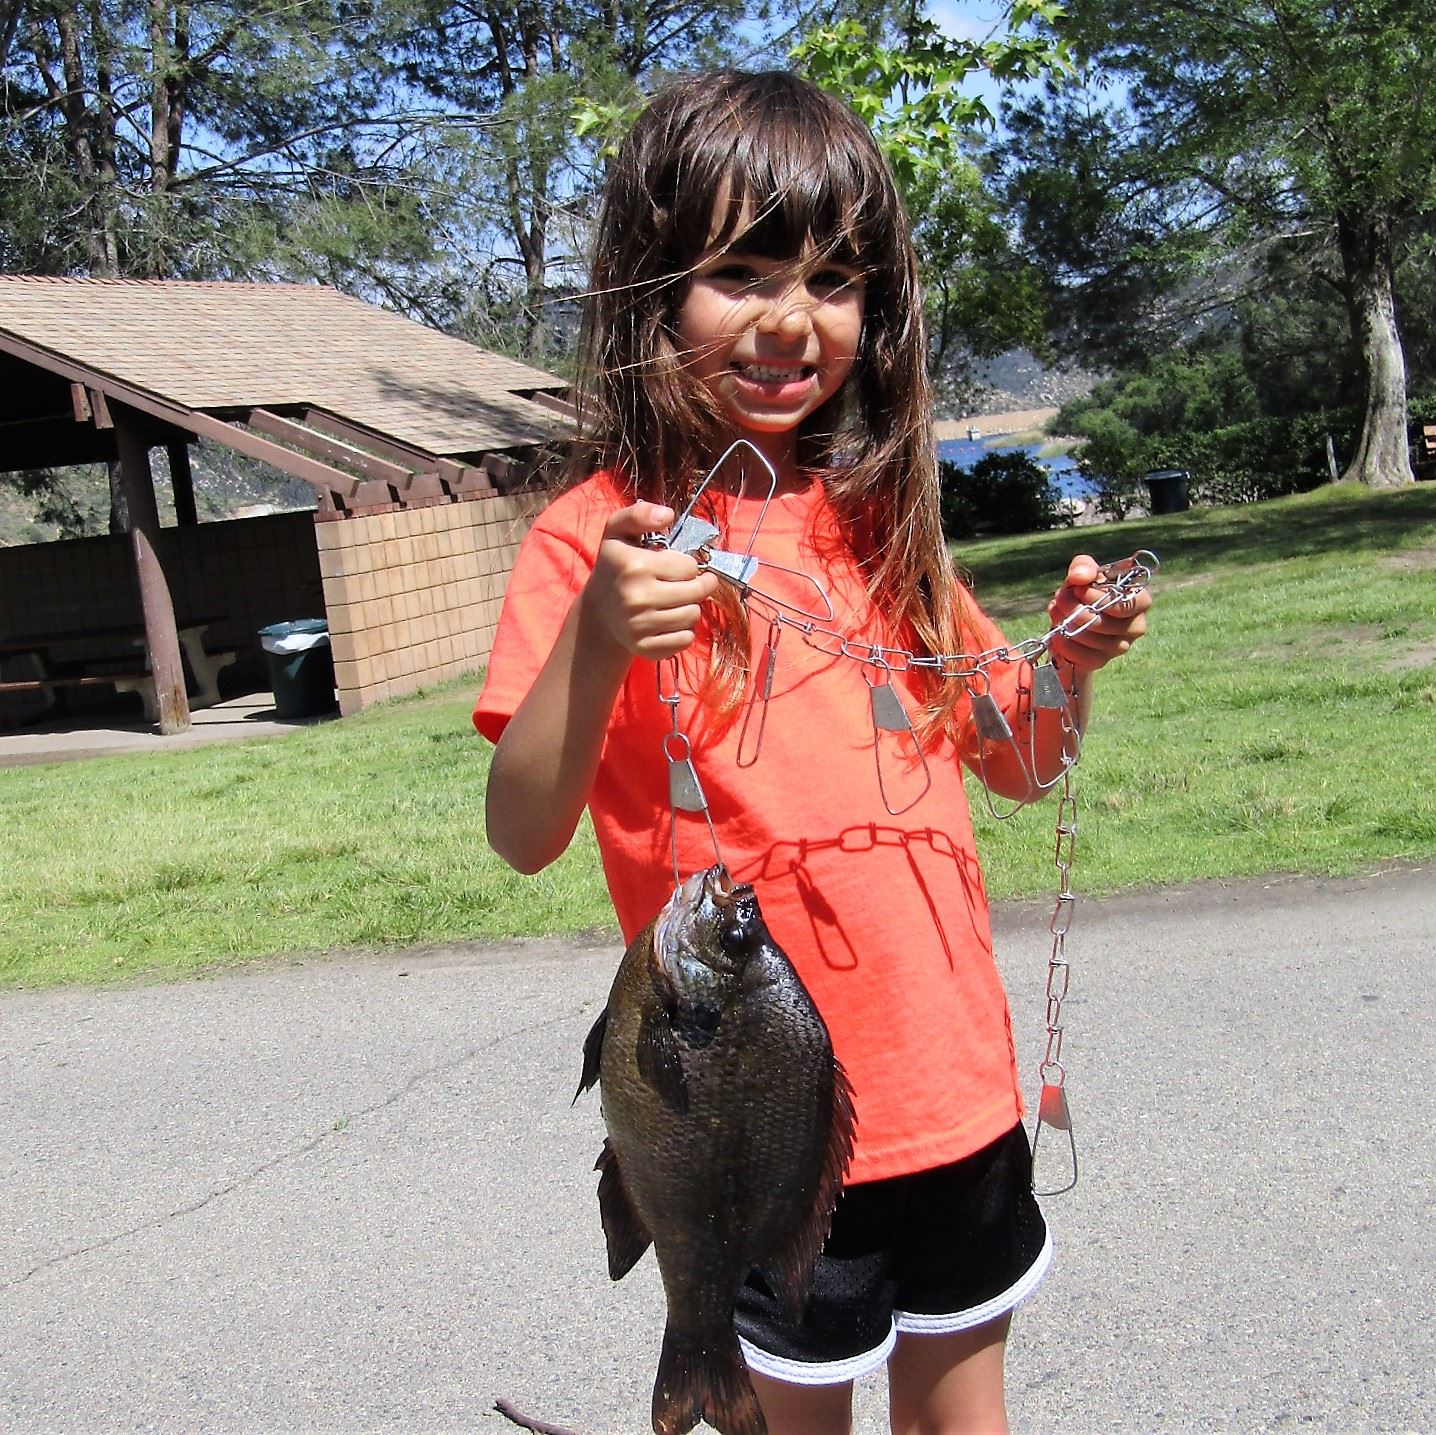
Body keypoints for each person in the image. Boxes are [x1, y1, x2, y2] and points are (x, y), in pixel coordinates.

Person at [475, 69, 1151, 1435]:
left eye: (835, 280)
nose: (793, 318)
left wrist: (1066, 662)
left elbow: (1015, 760)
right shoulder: (600, 536)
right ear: (650, 288)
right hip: (750, 1131)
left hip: (953, 1092)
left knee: (967, 1416)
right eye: (741, 271)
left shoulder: (883, 523)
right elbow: (521, 826)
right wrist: (598, 640)